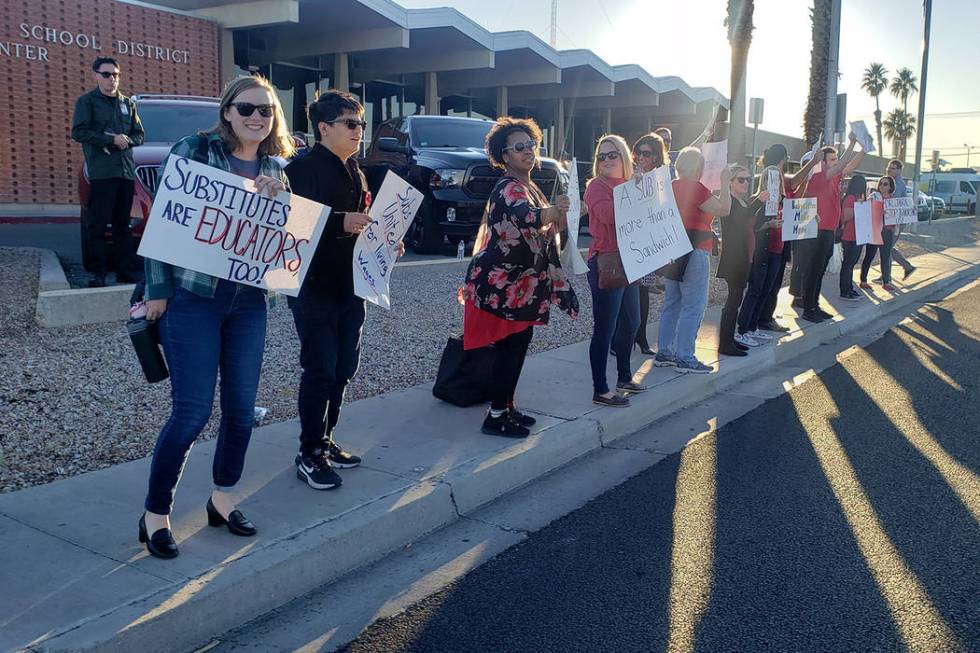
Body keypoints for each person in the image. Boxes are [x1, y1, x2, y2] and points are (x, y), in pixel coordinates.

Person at [139, 75, 295, 559]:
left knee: (242, 411)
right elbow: (162, 220)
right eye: (246, 108)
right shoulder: (195, 149)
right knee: (191, 412)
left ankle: (223, 499)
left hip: (248, 303)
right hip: (193, 299)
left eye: (265, 111)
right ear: (228, 111)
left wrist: (281, 202)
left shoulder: (275, 167)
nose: (256, 118)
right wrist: (157, 291)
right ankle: (155, 514)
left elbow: (284, 243)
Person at [285, 90, 388, 490]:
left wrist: (384, 239)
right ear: (323, 127)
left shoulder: (355, 170)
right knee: (320, 369)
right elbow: (289, 223)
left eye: (361, 123)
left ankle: (325, 441)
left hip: (352, 284)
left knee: (344, 368)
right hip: (314, 286)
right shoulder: (303, 168)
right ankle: (309, 451)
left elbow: (363, 222)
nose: (358, 130)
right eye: (350, 123)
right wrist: (339, 221)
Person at [461, 117, 578, 435]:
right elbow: (525, 217)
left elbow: (547, 231)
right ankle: (496, 416)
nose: (529, 151)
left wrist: (560, 216)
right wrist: (552, 212)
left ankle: (506, 406)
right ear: (505, 155)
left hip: (519, 284)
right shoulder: (509, 187)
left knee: (516, 345)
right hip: (502, 285)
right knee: (509, 347)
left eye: (532, 145)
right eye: (519, 147)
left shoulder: (529, 186)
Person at [656, 147, 732, 373]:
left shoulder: (670, 188)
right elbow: (724, 209)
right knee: (694, 306)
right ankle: (685, 356)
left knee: (672, 302)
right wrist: (725, 182)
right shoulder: (696, 188)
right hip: (696, 248)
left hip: (674, 249)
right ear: (698, 168)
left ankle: (664, 351)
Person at [72, 56, 145, 287]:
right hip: (102, 173)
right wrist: (111, 139)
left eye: (115, 75)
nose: (111, 79)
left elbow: (139, 135)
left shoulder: (127, 104)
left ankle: (126, 271)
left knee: (122, 224)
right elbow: (79, 132)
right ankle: (98, 273)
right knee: (98, 225)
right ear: (95, 75)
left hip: (125, 172)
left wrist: (127, 140)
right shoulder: (87, 102)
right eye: (106, 74)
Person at [585, 135, 644, 406]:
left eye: (612, 155)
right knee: (605, 328)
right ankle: (601, 389)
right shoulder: (596, 187)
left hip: (630, 260)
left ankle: (624, 376)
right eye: (602, 156)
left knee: (631, 321)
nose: (606, 160)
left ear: (624, 157)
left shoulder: (631, 185)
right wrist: (635, 191)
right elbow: (609, 216)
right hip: (607, 263)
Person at [798, 134, 864, 323]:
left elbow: (850, 166)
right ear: (824, 163)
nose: (837, 163)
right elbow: (843, 164)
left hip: (828, 231)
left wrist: (863, 149)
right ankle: (809, 309)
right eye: (832, 160)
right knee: (814, 270)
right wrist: (851, 143)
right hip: (817, 231)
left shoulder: (834, 178)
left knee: (819, 271)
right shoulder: (819, 176)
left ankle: (814, 306)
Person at [717, 163, 769, 355]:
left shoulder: (742, 201)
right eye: (741, 179)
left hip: (743, 256)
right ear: (730, 182)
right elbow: (738, 222)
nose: (746, 183)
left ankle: (729, 339)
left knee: (736, 301)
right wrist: (758, 202)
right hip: (734, 258)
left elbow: (748, 223)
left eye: (748, 179)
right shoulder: (729, 200)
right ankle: (725, 343)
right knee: (733, 302)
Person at [629, 132, 670, 354]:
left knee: (643, 291)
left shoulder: (660, 180)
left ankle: (641, 337)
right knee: (626, 293)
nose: (641, 157)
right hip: (629, 241)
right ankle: (624, 337)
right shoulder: (628, 174)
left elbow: (664, 210)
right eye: (638, 152)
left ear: (656, 157)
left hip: (648, 243)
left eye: (646, 153)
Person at [860, 176, 898, 291]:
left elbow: (896, 216)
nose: (882, 186)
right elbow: (865, 209)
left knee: (885, 257)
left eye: (885, 184)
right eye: (881, 184)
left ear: (891, 186)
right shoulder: (873, 196)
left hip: (887, 231)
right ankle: (863, 280)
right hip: (875, 230)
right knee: (869, 256)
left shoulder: (893, 200)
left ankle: (886, 281)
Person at [884, 158, 916, 280]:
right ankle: (888, 274)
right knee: (887, 248)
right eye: (889, 167)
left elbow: (893, 203)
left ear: (899, 171)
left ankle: (890, 274)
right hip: (892, 221)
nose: (889, 170)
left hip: (895, 222)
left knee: (887, 248)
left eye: (892, 168)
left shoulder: (897, 184)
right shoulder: (892, 181)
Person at [839, 175, 867, 300]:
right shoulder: (850, 198)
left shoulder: (857, 198)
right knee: (848, 264)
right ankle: (845, 290)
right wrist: (861, 209)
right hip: (850, 235)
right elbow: (846, 216)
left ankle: (849, 288)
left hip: (857, 235)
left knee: (850, 264)